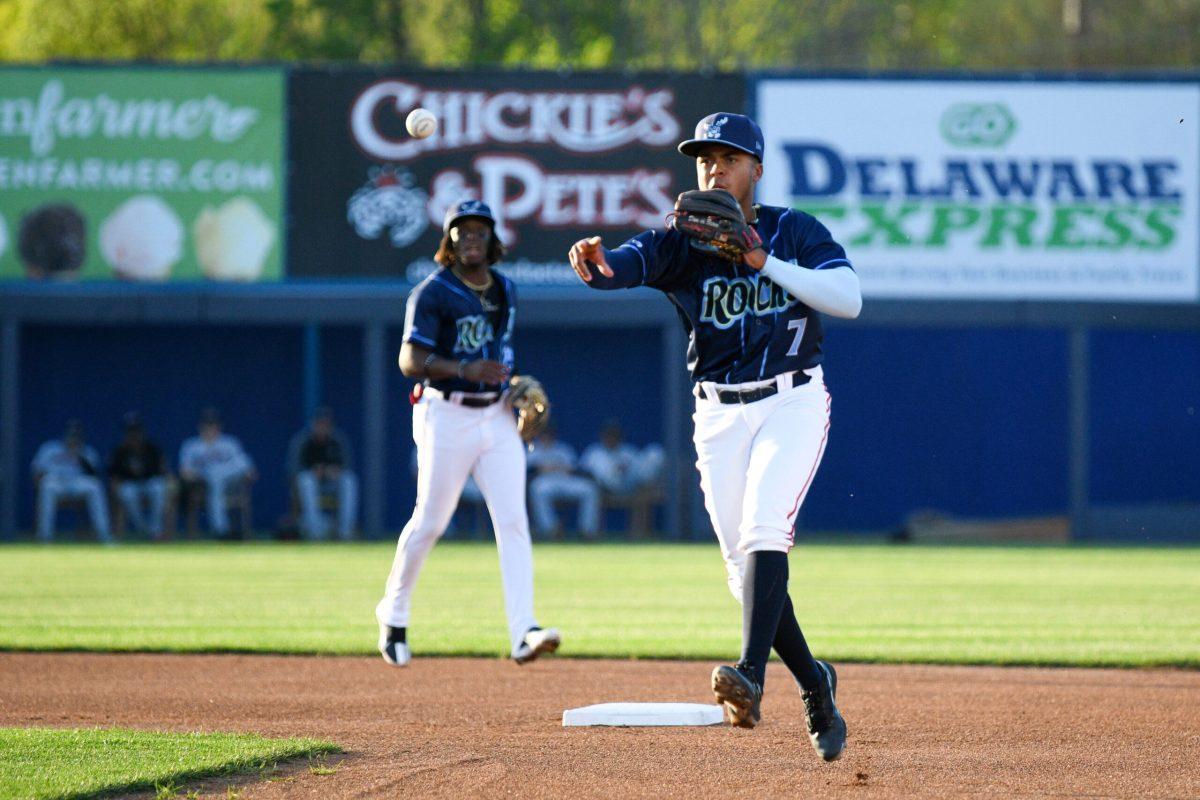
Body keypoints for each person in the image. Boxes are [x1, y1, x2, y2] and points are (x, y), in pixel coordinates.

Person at [568, 112, 861, 761]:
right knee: (743, 574)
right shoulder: (682, 238)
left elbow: (848, 298)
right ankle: (816, 684)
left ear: (756, 168)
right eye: (704, 159)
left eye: (727, 158)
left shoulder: (793, 230)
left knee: (763, 534)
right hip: (719, 415)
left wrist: (764, 260)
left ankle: (750, 677)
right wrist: (594, 265)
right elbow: (620, 265)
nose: (713, 169)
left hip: (791, 402)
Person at [376, 199, 560, 668]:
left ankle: (524, 632)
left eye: (480, 230)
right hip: (446, 412)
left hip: (495, 415)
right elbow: (409, 362)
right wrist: (464, 368)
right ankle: (393, 614)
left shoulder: (505, 289)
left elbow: (500, 353)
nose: (472, 238)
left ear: (492, 239)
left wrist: (513, 386)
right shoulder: (432, 293)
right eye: (463, 231)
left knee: (513, 521)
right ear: (449, 240)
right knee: (431, 521)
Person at [178, 408, 256, 538]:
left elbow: (247, 469)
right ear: (200, 427)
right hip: (204, 484)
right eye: (207, 425)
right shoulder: (191, 445)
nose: (210, 428)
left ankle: (222, 530)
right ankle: (223, 530)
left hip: (231, 483)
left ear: (219, 426)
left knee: (226, 470)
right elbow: (185, 472)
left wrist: (248, 473)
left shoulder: (229, 443)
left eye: (213, 425)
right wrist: (200, 477)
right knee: (214, 476)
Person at [31, 420, 112, 543]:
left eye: (76, 436)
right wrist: (38, 488)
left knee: (95, 486)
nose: (73, 438)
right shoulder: (50, 448)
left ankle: (104, 535)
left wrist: (79, 456)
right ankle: (44, 536)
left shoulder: (87, 451)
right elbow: (37, 472)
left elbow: (94, 475)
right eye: (71, 435)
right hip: (56, 482)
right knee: (46, 485)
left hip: (77, 483)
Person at [292, 407, 359, 540]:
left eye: (326, 424)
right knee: (306, 480)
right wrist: (314, 472)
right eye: (319, 424)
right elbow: (293, 470)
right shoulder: (304, 442)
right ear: (313, 425)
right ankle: (315, 532)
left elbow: (347, 465)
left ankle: (345, 532)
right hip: (311, 486)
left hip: (332, 485)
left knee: (349, 480)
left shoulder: (337, 441)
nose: (322, 427)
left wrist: (332, 471)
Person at [527, 425, 601, 540]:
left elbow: (576, 468)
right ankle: (550, 529)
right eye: (544, 434)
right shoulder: (533, 450)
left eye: (549, 434)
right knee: (537, 488)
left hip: (565, 480)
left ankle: (587, 530)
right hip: (545, 482)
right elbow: (527, 471)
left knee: (589, 489)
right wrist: (539, 469)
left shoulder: (563, 449)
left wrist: (562, 468)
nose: (547, 436)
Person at [108, 411, 169, 540]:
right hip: (131, 485)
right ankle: (144, 528)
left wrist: (169, 482)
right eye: (130, 432)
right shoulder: (120, 451)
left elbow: (163, 472)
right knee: (126, 492)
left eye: (136, 431)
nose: (134, 435)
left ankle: (155, 529)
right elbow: (113, 476)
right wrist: (115, 489)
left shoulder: (152, 448)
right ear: (126, 433)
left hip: (149, 484)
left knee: (158, 487)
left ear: (142, 431)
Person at [579, 419, 665, 497]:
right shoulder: (593, 452)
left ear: (620, 436)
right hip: (603, 490)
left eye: (614, 435)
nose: (611, 438)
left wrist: (626, 469)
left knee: (655, 451)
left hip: (630, 488)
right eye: (608, 435)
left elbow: (641, 472)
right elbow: (583, 472)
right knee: (600, 474)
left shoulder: (628, 451)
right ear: (602, 436)